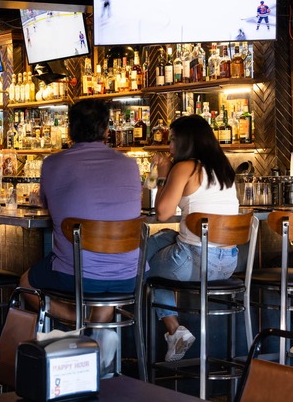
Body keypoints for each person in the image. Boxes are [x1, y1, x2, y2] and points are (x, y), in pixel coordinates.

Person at [17, 99, 141, 370]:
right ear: (107, 130)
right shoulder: (130, 164)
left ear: (70, 128)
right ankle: (98, 332)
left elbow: (50, 207)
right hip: (128, 277)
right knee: (102, 281)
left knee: (25, 282)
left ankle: (79, 327)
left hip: (76, 276)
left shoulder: (53, 163)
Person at [146, 114, 239, 362]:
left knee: (141, 266)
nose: (169, 146)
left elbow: (163, 213)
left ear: (187, 141)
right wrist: (158, 174)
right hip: (228, 263)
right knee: (161, 239)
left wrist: (162, 174)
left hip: (194, 261)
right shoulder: (224, 168)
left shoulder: (184, 167)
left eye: (173, 140)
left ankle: (174, 330)